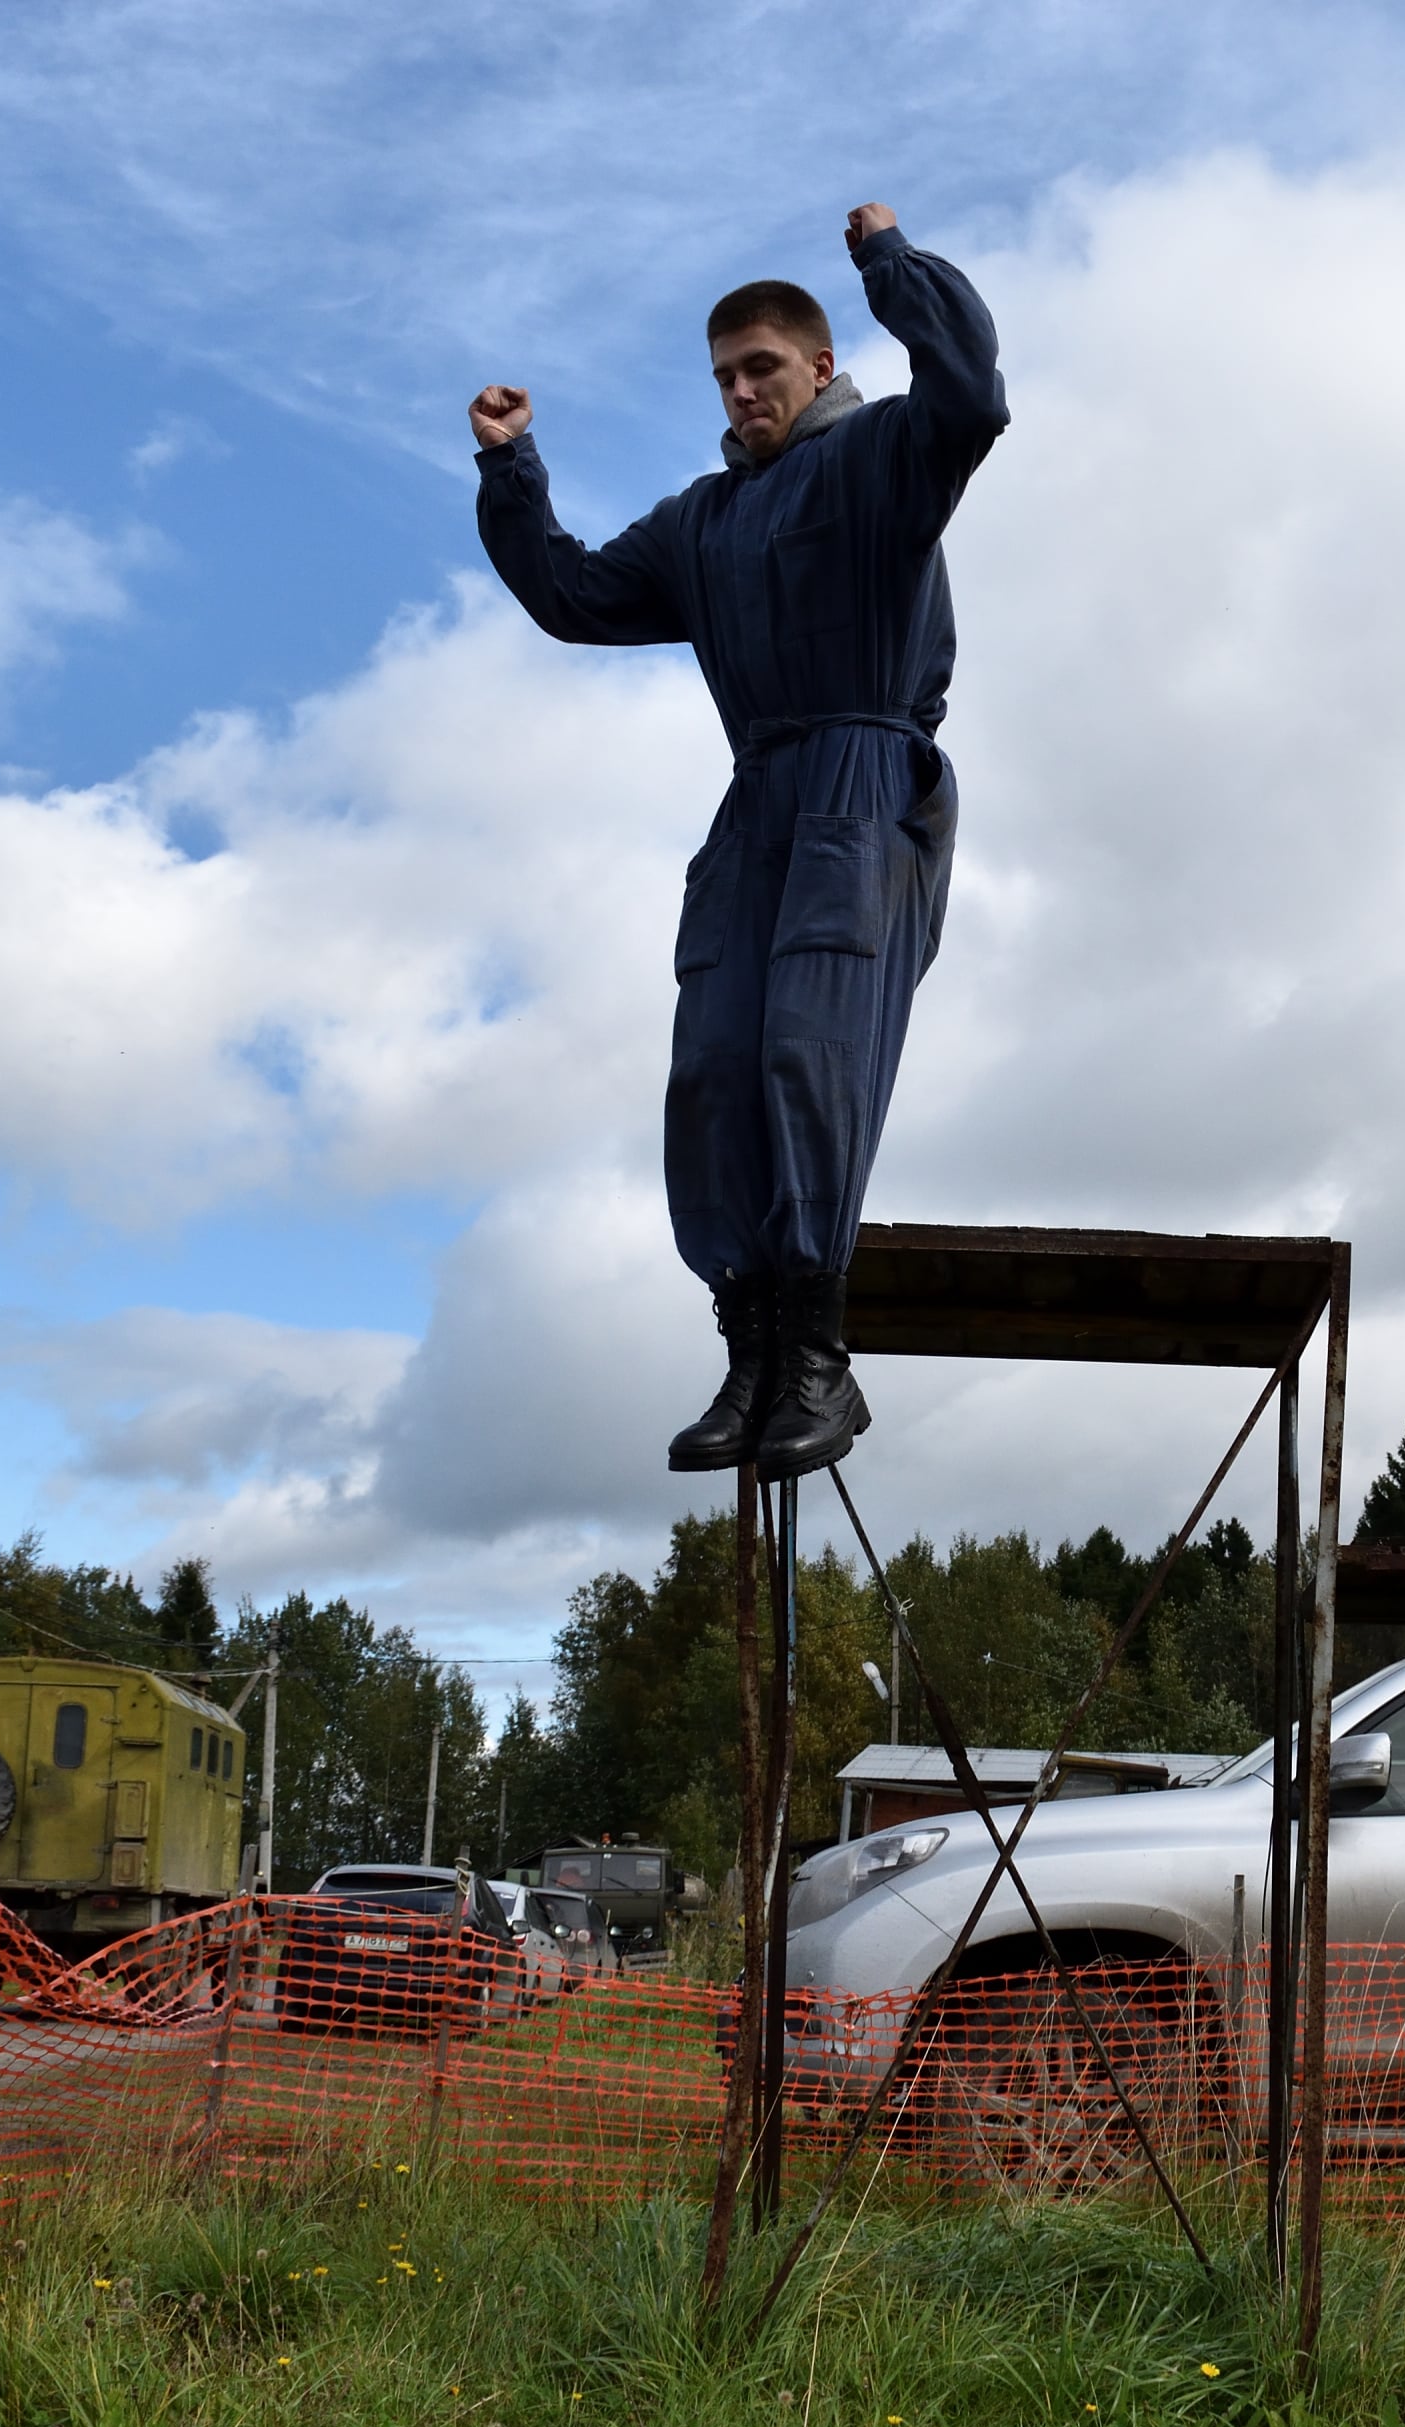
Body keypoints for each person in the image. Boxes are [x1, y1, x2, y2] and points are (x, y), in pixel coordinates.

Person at [470, 204, 1007, 1478]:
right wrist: (511, 468)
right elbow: (571, 596)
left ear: (817, 367)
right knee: (713, 1071)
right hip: (754, 796)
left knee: (805, 1054)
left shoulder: (883, 455)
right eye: (722, 374)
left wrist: (890, 262)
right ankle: (751, 1356)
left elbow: (972, 396)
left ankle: (820, 1362)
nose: (741, 389)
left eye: (762, 366)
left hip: (860, 784)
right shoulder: (701, 520)